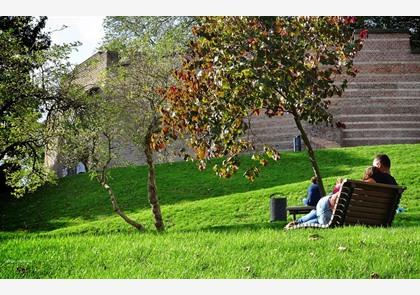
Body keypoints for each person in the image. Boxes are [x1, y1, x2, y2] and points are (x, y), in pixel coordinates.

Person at [285, 154, 397, 228]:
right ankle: (299, 223)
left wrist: (340, 186)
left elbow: (351, 189)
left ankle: (298, 223)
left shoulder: (372, 181)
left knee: (322, 210)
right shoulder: (394, 186)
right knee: (321, 212)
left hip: (330, 213)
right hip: (363, 219)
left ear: (378, 165)